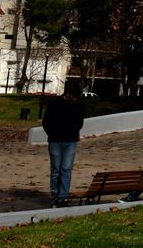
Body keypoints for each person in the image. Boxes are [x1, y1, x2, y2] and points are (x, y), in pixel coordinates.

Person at [42, 80, 85, 208]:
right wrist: (52, 133)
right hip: (55, 139)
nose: (74, 99)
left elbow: (80, 122)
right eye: (73, 96)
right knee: (56, 169)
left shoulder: (79, 105)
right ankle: (55, 195)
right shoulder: (55, 104)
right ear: (68, 94)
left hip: (70, 140)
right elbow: (46, 121)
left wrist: (74, 129)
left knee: (66, 168)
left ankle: (63, 196)